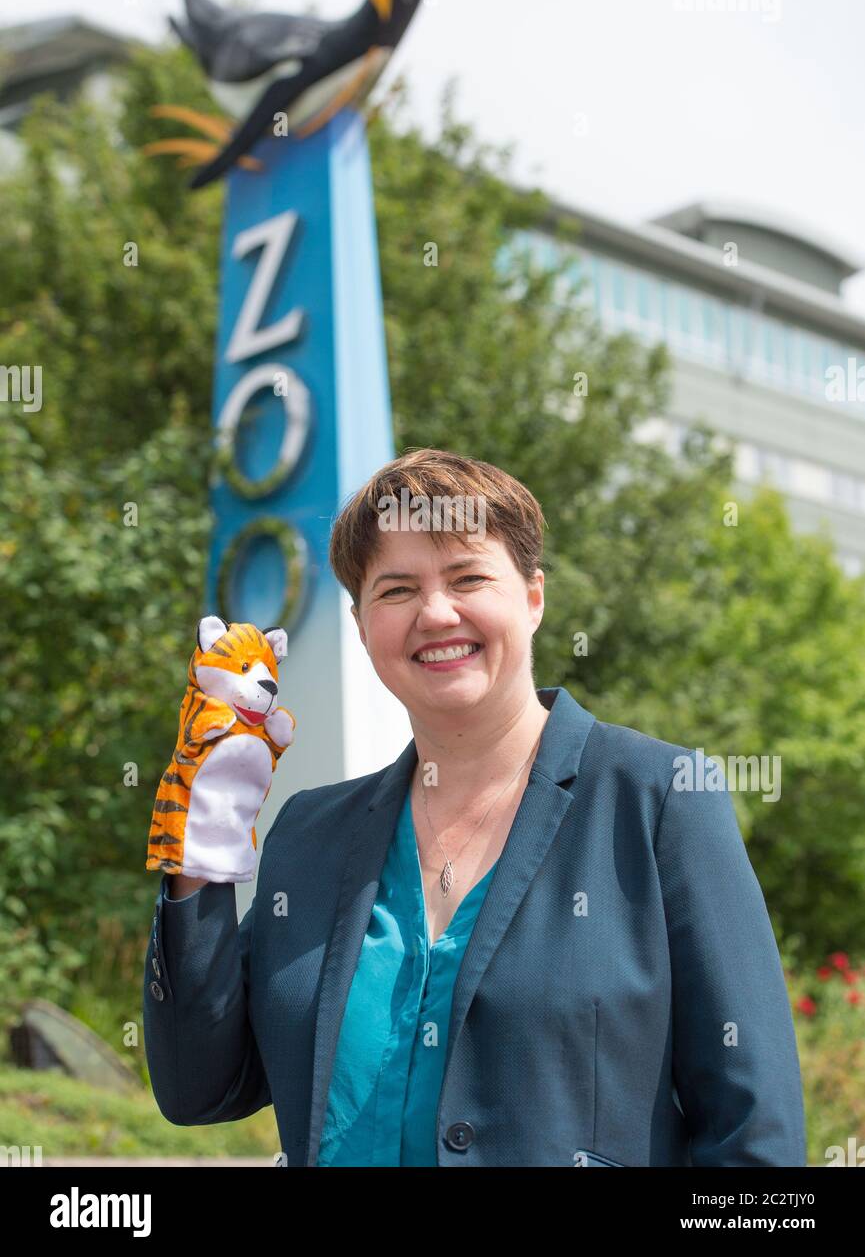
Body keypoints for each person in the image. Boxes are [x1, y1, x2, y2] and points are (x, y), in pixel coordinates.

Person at [144, 447, 807, 1167]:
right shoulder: (311, 832)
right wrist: (201, 856)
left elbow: (753, 1136)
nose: (435, 612)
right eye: (395, 590)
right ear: (362, 625)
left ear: (532, 598)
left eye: (467, 577)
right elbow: (199, 1089)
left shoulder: (661, 798)